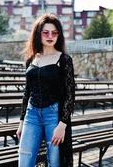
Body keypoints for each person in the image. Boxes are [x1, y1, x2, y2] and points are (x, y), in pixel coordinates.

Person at [16, 13, 75, 167]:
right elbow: (27, 91)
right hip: (31, 115)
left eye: (54, 33)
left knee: (55, 162)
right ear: (38, 33)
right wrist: (21, 121)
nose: (50, 36)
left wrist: (63, 125)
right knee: (24, 160)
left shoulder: (64, 60)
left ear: (59, 35)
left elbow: (70, 94)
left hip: (53, 116)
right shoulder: (32, 59)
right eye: (46, 32)